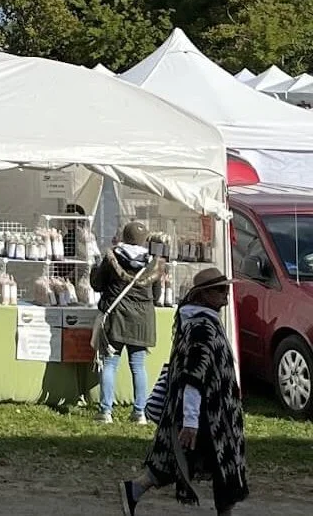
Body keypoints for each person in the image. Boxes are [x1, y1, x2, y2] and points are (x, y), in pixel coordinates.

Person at [119, 268, 248, 516]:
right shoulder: (201, 327)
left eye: (226, 289)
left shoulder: (199, 322)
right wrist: (190, 421)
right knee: (223, 463)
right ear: (204, 294)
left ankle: (134, 490)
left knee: (175, 457)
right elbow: (194, 376)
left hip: (209, 412)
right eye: (220, 289)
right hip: (210, 416)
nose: (226, 294)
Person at [92, 221, 162, 424]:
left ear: (124, 235)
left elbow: (97, 284)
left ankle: (106, 411)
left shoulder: (112, 256)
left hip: (117, 316)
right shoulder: (153, 261)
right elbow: (156, 295)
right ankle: (139, 412)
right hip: (142, 319)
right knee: (138, 366)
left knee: (109, 364)